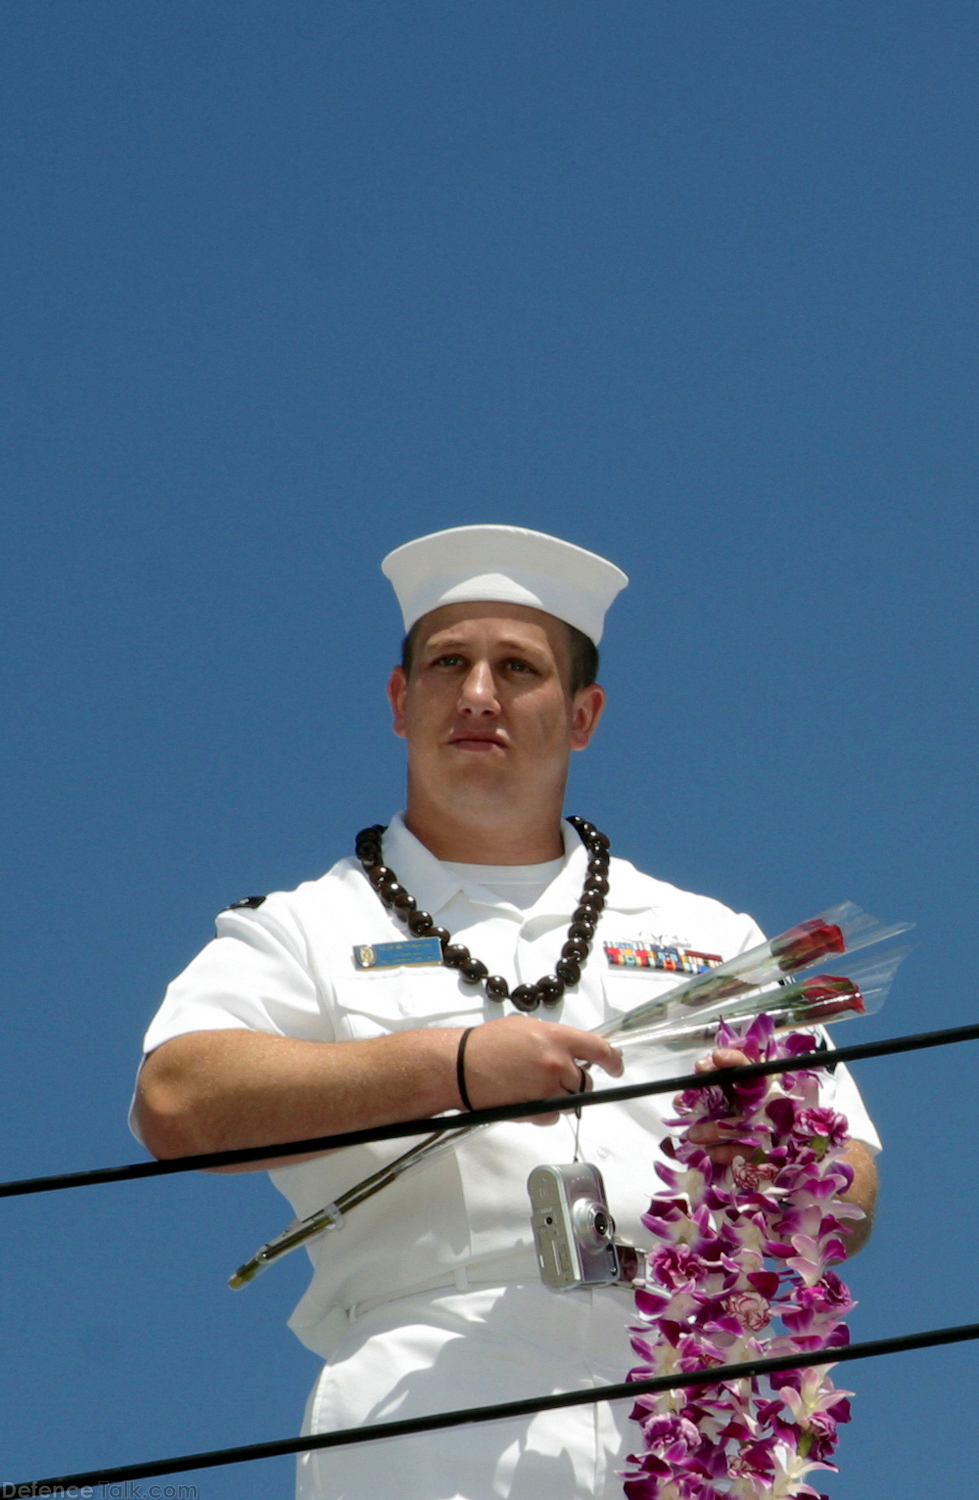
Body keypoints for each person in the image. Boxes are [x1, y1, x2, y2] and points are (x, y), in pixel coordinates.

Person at [130, 524, 882, 1500]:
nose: (479, 693)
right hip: (424, 1396)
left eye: (518, 668)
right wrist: (453, 1067)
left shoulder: (709, 934)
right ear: (401, 702)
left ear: (583, 715)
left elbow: (851, 1177)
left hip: (687, 1393)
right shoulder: (310, 926)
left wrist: (769, 1164)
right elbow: (178, 1096)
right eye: (449, 663)